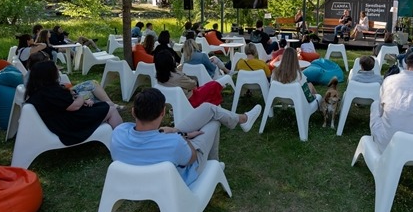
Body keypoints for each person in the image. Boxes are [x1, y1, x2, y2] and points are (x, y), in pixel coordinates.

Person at [110, 88, 261, 185]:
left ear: (133, 112)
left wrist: (177, 132)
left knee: (208, 108)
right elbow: (192, 157)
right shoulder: (174, 142)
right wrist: (182, 136)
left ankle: (243, 119)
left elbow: (148, 135)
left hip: (156, 154)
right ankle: (214, 166)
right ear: (163, 112)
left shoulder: (118, 133)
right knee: (214, 122)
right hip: (183, 173)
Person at [25, 61, 122, 145]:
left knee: (107, 105)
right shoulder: (50, 92)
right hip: (70, 126)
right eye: (56, 70)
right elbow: (74, 107)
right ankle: (122, 139)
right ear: (49, 75)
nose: (58, 72)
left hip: (63, 121)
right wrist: (81, 99)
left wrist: (78, 100)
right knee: (111, 109)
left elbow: (64, 105)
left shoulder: (38, 92)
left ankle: (115, 132)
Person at [154, 50, 225, 107]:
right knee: (213, 85)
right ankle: (214, 106)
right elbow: (193, 84)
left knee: (207, 86)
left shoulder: (159, 77)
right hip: (191, 100)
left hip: (177, 101)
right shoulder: (178, 77)